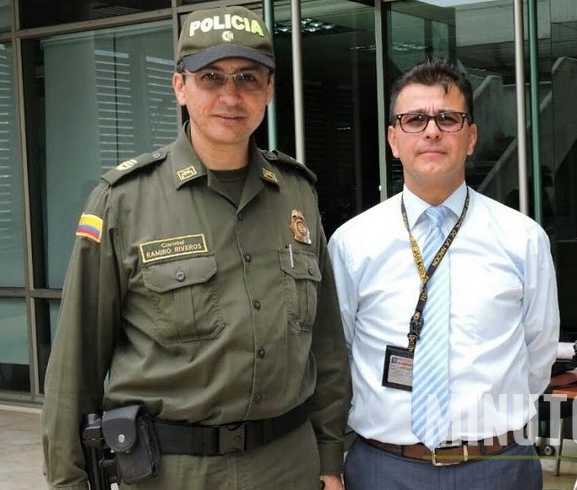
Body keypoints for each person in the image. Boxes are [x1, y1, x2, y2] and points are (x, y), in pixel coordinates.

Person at [41, 6, 350, 490]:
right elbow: (75, 364)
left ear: (269, 89)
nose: (231, 96)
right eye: (211, 77)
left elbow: (325, 344)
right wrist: (68, 481)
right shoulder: (124, 201)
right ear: (180, 87)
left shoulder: (297, 194)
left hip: (288, 465)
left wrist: (330, 456)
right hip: (172, 472)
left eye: (248, 78)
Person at [328, 58, 559, 490]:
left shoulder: (522, 239)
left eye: (448, 119)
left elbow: (538, 353)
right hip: (384, 469)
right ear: (393, 140)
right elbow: (337, 355)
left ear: (470, 137)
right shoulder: (352, 244)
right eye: (415, 119)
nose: (432, 131)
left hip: (497, 468)